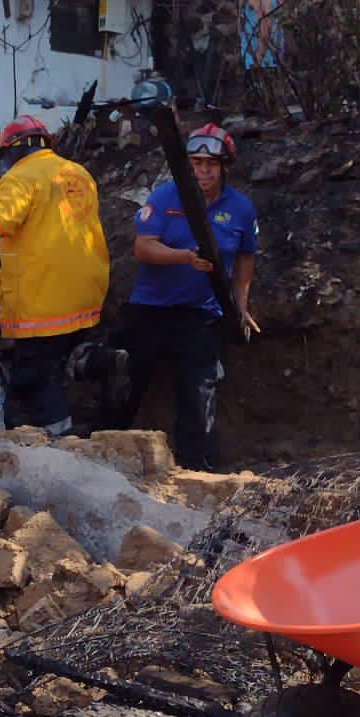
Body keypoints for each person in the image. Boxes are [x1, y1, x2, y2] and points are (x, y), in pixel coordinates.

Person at [0, 115, 110, 435]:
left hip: (44, 297)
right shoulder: (78, 173)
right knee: (65, 350)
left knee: (37, 374)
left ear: (12, 151)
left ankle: (57, 439)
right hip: (87, 289)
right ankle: (96, 361)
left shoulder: (20, 177)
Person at [113, 122, 259, 470]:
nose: (203, 170)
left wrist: (240, 308)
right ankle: (103, 449)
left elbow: (244, 261)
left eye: (211, 164)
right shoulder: (164, 197)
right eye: (196, 163)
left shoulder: (240, 209)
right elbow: (143, 248)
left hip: (201, 313)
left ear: (224, 166)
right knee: (124, 381)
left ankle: (197, 467)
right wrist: (184, 257)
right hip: (150, 309)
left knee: (199, 390)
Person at [233, 0, 286, 112]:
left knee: (265, 108)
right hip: (266, 60)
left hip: (263, 61)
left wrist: (258, 56)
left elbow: (265, 26)